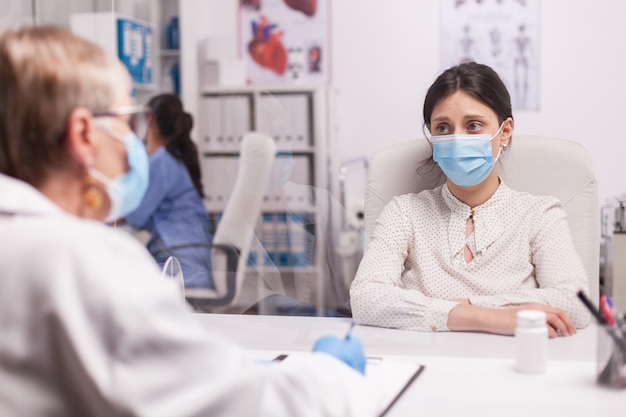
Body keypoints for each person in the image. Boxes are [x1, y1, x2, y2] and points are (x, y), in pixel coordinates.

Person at [0, 25, 377, 416]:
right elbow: (257, 408)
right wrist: (332, 375)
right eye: (128, 123)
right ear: (82, 134)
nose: (135, 144)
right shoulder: (85, 265)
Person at [350, 61, 590, 337]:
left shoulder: (540, 213)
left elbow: (575, 304)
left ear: (505, 132)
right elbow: (366, 299)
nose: (457, 139)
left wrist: (443, 310)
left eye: (473, 125)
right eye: (443, 128)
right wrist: (491, 317)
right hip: (423, 363)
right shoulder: (404, 212)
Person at [123, 93, 213, 289]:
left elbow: (132, 216)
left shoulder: (162, 161)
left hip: (179, 268)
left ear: (150, 121)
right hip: (191, 263)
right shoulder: (176, 157)